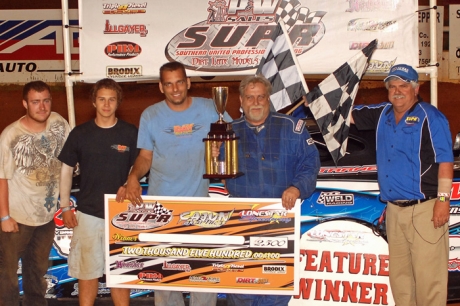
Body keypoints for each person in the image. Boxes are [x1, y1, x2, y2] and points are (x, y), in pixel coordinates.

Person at [123, 61, 231, 306]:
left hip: (200, 206)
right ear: (161, 87)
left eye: (179, 82)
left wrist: (220, 146)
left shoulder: (210, 108)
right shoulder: (151, 115)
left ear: (188, 82)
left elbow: (233, 136)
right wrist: (132, 177)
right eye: (169, 84)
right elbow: (145, 157)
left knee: (203, 275)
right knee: (165, 276)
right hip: (163, 208)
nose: (175, 89)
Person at [351, 64, 453, 306]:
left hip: (425, 209)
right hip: (395, 211)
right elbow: (345, 114)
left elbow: (445, 161)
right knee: (401, 280)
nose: (397, 91)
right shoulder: (382, 114)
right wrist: (313, 99)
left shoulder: (431, 116)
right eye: (392, 86)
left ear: (416, 89)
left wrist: (442, 201)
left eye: (404, 85)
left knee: (429, 281)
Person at [223, 75, 320, 306]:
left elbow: (310, 163)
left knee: (276, 288)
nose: (255, 102)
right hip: (241, 223)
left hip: (281, 222)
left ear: (269, 99)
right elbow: (212, 170)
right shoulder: (227, 132)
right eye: (250, 97)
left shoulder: (292, 128)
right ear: (241, 100)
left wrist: (297, 188)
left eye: (261, 97)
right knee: (240, 288)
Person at [58, 78, 138, 306]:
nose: (106, 104)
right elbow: (66, 170)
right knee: (87, 274)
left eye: (111, 99)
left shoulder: (130, 132)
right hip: (88, 213)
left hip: (122, 214)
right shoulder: (80, 133)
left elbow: (140, 164)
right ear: (94, 102)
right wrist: (65, 206)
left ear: (118, 102)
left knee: (119, 276)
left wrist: (131, 179)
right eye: (101, 99)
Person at [0, 81, 70, 306]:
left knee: (37, 271)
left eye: (46, 100)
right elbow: (2, 178)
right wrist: (4, 217)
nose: (42, 107)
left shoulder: (59, 123)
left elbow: (71, 159)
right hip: (17, 218)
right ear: (25, 104)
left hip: (46, 216)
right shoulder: (11, 135)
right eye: (35, 102)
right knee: (7, 275)